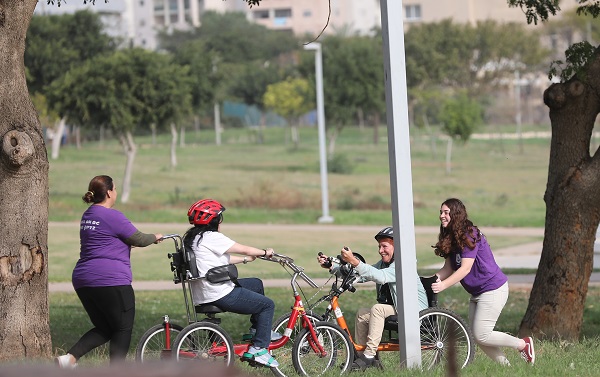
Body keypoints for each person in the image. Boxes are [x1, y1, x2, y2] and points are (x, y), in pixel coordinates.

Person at [56, 175, 164, 368]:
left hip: (83, 280)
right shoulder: (113, 216)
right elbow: (139, 238)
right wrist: (155, 237)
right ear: (108, 192)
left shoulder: (89, 215)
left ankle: (69, 359)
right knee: (123, 327)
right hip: (110, 280)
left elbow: (106, 241)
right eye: (115, 189)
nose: (116, 192)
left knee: (106, 327)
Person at [431, 198, 535, 365]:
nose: (441, 216)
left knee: (482, 334)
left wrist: (443, 285)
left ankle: (523, 344)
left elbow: (464, 269)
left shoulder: (469, 234)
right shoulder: (451, 237)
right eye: (441, 212)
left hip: (493, 289)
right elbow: (448, 268)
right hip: (477, 292)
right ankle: (507, 369)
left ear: (456, 214)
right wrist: (429, 281)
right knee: (479, 336)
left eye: (446, 212)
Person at [183, 198, 280, 368]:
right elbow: (243, 248)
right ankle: (259, 349)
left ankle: (257, 331)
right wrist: (265, 252)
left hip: (205, 291)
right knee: (267, 305)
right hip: (219, 293)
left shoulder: (194, 238)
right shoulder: (211, 237)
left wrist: (245, 260)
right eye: (219, 218)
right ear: (214, 221)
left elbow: (218, 260)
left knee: (256, 284)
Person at [317, 226, 429, 370]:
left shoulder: (403, 264)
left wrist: (355, 261)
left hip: (413, 311)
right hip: (398, 308)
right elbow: (363, 275)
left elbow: (380, 277)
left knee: (378, 309)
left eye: (384, 246)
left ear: (398, 247)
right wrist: (332, 266)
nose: (380, 250)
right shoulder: (384, 264)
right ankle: (362, 355)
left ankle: (368, 356)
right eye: (379, 246)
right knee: (363, 314)